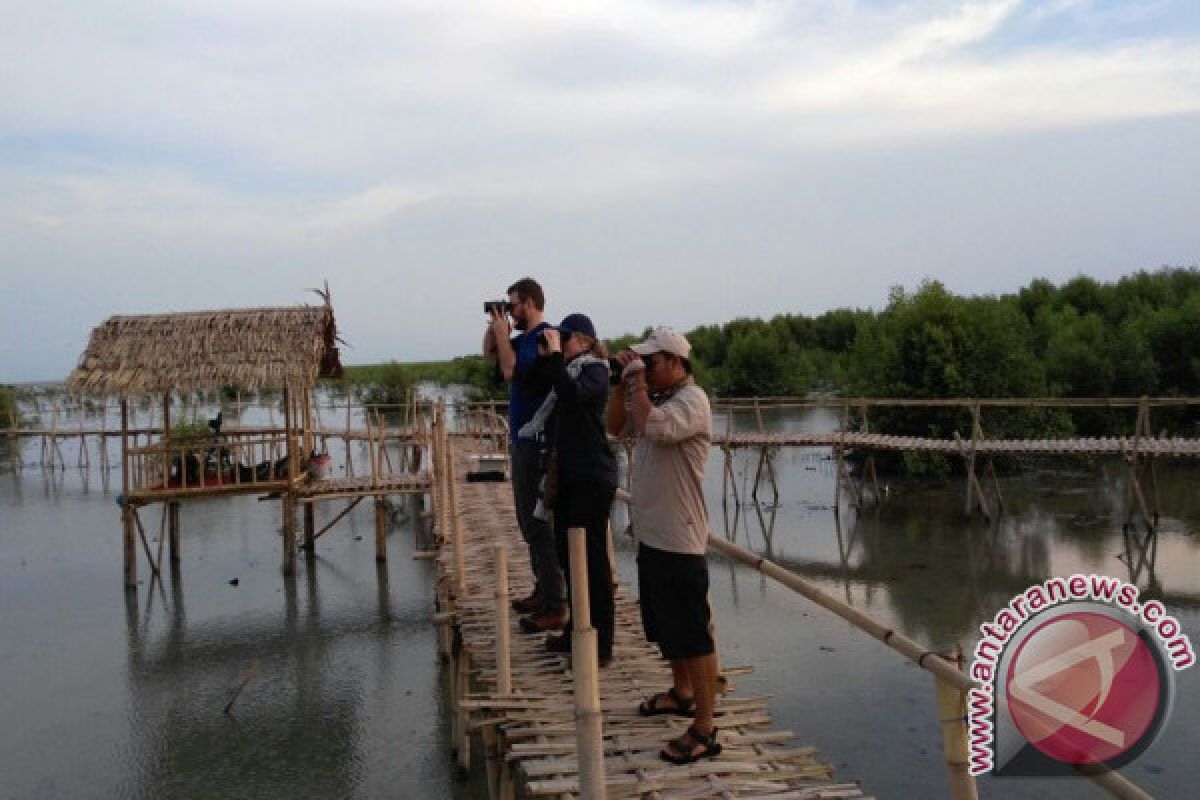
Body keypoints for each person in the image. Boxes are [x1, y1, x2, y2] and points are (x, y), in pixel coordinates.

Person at [606, 326, 722, 765]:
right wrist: (624, 383)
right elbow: (616, 427)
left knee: (693, 633)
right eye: (645, 362)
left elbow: (652, 429)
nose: (647, 370)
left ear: (676, 362)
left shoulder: (694, 401)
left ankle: (706, 728)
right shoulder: (658, 400)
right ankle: (683, 692)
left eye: (652, 363)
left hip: (680, 537)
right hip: (653, 534)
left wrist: (636, 384)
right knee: (665, 625)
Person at [524, 314, 617, 664]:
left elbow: (572, 395)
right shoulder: (568, 369)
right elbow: (536, 383)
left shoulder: (596, 370)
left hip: (591, 478)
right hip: (568, 478)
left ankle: (602, 645)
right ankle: (576, 631)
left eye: (565, 339)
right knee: (569, 559)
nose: (559, 344)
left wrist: (553, 360)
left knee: (593, 565)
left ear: (585, 340)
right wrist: (544, 357)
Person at [482, 278, 566, 632]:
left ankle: (554, 603)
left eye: (513, 305)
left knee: (536, 522)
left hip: (537, 443)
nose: (511, 312)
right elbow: (491, 356)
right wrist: (494, 328)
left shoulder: (545, 338)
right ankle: (542, 588)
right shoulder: (522, 339)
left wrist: (504, 337)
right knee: (526, 520)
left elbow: (510, 370)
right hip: (521, 439)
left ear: (530, 303)